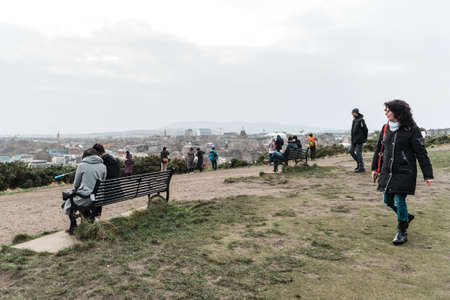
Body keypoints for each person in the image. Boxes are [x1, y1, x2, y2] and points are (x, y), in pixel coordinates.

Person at [371, 99, 433, 245]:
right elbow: (379, 150)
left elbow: (421, 152)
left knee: (399, 199)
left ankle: (402, 231)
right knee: (387, 200)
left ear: (398, 112)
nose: (385, 112)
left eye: (388, 110)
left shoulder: (411, 129)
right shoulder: (385, 128)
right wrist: (375, 168)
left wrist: (428, 174)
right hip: (388, 171)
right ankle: (405, 216)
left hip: (405, 171)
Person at [62, 148, 106, 234]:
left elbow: (76, 185)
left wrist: (74, 191)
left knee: (68, 200)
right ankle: (86, 222)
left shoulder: (82, 165)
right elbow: (103, 181)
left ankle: (74, 226)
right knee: (81, 204)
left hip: (87, 198)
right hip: (98, 197)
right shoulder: (103, 166)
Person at [92, 143, 121, 220]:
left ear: (97, 153)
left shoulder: (102, 163)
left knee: (93, 193)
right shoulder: (117, 161)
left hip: (107, 193)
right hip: (117, 190)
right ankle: (97, 217)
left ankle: (96, 218)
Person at [350, 108, 368, 172]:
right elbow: (352, 130)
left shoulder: (361, 120)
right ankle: (359, 164)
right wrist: (352, 139)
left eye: (353, 113)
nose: (352, 114)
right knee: (351, 151)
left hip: (359, 140)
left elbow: (365, 130)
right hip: (353, 140)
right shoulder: (354, 120)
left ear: (356, 112)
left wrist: (364, 138)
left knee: (358, 153)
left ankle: (361, 168)